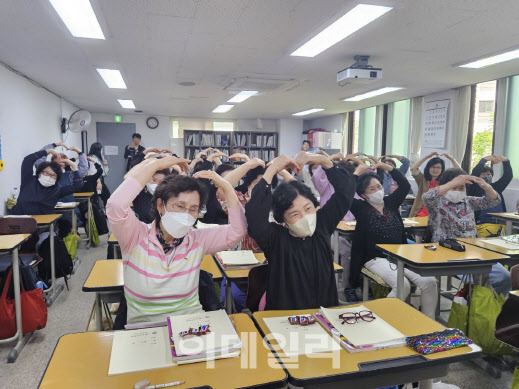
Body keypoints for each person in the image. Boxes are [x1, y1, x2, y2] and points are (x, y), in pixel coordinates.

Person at [106, 156, 246, 324]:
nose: (186, 214)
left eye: (193, 209)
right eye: (180, 206)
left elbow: (237, 231)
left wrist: (225, 186)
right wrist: (155, 164)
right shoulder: (135, 235)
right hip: (145, 330)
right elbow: (115, 206)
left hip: (190, 327)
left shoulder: (197, 240)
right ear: (160, 206)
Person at [245, 153, 356, 310]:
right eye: (294, 214)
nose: (305, 217)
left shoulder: (321, 225)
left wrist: (324, 161)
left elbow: (346, 191)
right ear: (282, 219)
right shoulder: (275, 238)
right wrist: (272, 170)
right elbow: (255, 217)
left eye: (308, 208)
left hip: (324, 315)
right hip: (286, 319)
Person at [349, 161, 438, 319]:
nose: (377, 191)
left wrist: (387, 167)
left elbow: (403, 184)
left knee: (429, 281)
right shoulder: (360, 207)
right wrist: (357, 172)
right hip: (375, 258)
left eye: (379, 187)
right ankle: (380, 320)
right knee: (401, 284)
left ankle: (428, 322)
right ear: (363, 194)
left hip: (399, 255)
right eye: (372, 189)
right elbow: (344, 191)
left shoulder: (390, 202)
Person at [422, 168, 511, 295]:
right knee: (480, 279)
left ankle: (489, 306)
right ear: (445, 186)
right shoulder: (437, 202)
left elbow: (493, 200)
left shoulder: (468, 201)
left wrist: (487, 187)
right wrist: (453, 182)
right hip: (446, 251)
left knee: (504, 276)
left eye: (461, 188)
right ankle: (474, 302)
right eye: (454, 188)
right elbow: (427, 196)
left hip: (473, 250)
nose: (458, 191)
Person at [311, 154, 364, 302]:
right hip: (332, 232)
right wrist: (330, 159)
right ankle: (346, 287)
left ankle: (359, 283)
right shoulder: (326, 186)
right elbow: (316, 175)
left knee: (362, 247)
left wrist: (354, 159)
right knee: (346, 250)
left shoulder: (353, 187)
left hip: (351, 231)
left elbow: (366, 170)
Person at [13, 147, 82, 215]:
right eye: (46, 173)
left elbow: (78, 186)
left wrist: (74, 166)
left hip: (45, 224)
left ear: (57, 178)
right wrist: (49, 151)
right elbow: (27, 160)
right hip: (21, 222)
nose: (49, 177)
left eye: (53, 175)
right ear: (40, 172)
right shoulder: (29, 180)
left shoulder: (57, 190)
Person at [468, 155, 513, 237]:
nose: (486, 176)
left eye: (488, 174)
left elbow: (508, 176)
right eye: (483, 174)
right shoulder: (473, 188)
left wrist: (506, 161)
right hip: (482, 225)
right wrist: (483, 160)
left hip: (501, 225)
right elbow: (474, 174)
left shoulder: (496, 187)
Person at [410, 152, 460, 217]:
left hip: (438, 215)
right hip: (421, 213)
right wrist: (427, 157)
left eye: (438, 167)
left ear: (442, 169)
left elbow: (460, 173)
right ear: (428, 168)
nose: (435, 169)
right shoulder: (422, 179)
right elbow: (414, 169)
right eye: (433, 167)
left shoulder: (445, 181)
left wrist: (452, 159)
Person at [88, 142, 110, 206]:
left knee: (105, 198)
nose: (102, 151)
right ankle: (101, 215)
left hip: (100, 180)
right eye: (101, 149)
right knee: (104, 198)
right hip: (96, 181)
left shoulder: (97, 158)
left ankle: (105, 214)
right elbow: (93, 172)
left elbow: (103, 173)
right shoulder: (93, 158)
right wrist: (99, 182)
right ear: (98, 150)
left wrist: (105, 165)